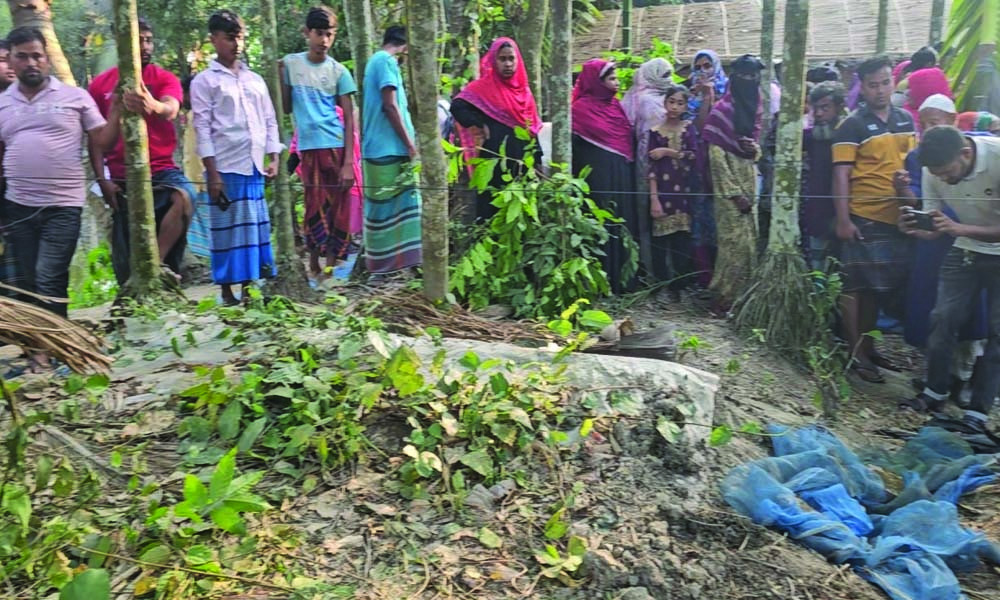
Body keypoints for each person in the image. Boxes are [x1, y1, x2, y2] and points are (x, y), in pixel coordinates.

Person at [0, 27, 114, 369]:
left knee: (50, 275)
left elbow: (102, 139)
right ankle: (41, 350)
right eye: (23, 56)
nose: (31, 62)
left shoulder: (75, 97)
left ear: (47, 58)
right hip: (17, 204)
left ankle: (55, 348)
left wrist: (121, 110)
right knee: (28, 282)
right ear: (13, 61)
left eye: (37, 55)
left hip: (63, 204)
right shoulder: (3, 103)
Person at [898, 125, 1000, 433]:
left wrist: (959, 229)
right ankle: (935, 391)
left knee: (997, 332)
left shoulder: (996, 158)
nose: (942, 179)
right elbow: (935, 224)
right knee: (942, 317)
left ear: (966, 154)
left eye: (947, 172)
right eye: (937, 173)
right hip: (965, 248)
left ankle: (979, 411)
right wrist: (919, 228)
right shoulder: (933, 169)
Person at [89, 17, 195, 285]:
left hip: (161, 169)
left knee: (186, 197)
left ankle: (154, 266)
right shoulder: (100, 85)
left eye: (149, 40)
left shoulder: (163, 78)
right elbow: (96, 140)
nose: (146, 46)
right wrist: (103, 181)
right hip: (121, 175)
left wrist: (153, 106)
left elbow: (171, 107)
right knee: (124, 243)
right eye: (139, 40)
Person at [831, 55, 917, 383]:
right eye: (872, 85)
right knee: (856, 287)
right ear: (861, 88)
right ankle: (855, 353)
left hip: (898, 218)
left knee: (878, 290)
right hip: (863, 215)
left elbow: (914, 166)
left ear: (892, 83)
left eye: (885, 83)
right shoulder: (851, 125)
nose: (880, 91)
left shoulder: (906, 120)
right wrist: (843, 219)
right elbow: (841, 175)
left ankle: (870, 348)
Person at [190, 10, 282, 306]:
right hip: (225, 165)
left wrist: (274, 157)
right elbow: (202, 128)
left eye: (240, 37)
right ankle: (227, 290)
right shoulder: (205, 82)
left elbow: (269, 119)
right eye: (230, 38)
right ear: (214, 40)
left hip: (253, 163)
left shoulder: (255, 80)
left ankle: (250, 285)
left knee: (254, 227)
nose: (236, 44)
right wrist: (212, 173)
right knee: (228, 230)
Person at [280, 6, 357, 277]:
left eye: (329, 35)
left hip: (335, 145)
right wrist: (281, 79)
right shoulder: (291, 64)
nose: (324, 40)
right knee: (314, 202)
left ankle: (331, 264)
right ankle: (313, 260)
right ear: (306, 33)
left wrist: (349, 162)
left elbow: (349, 116)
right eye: (319, 34)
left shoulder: (338, 72)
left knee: (340, 204)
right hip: (308, 147)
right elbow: (287, 107)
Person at [450, 38, 542, 222]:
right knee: (491, 212)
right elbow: (457, 107)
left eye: (511, 59)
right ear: (494, 61)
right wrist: (480, 123)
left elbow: (532, 129)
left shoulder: (524, 92)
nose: (508, 64)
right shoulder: (483, 88)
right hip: (493, 161)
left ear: (518, 60)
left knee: (521, 216)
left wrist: (538, 160)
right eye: (502, 59)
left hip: (522, 161)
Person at [701, 54, 765, 311]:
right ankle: (723, 297)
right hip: (728, 190)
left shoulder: (755, 106)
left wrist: (754, 149)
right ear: (734, 77)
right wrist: (734, 194)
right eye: (744, 75)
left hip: (750, 180)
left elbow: (756, 151)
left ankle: (744, 296)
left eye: (753, 76)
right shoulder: (721, 112)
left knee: (751, 242)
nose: (749, 80)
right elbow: (715, 158)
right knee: (732, 244)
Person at [361, 25, 422, 283]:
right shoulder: (386, 61)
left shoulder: (376, 62)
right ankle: (381, 272)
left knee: (400, 210)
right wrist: (410, 145)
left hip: (385, 148)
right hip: (388, 149)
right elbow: (390, 105)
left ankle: (398, 268)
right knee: (385, 209)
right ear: (405, 46)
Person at [571, 59, 637, 295]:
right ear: (595, 82)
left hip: (620, 174)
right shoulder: (580, 109)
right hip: (597, 177)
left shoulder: (616, 107)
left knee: (621, 221)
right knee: (601, 222)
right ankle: (601, 281)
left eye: (617, 78)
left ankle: (623, 280)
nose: (616, 83)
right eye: (611, 79)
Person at [622, 57, 675, 275]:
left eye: (669, 73)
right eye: (663, 74)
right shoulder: (643, 100)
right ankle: (651, 269)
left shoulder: (672, 98)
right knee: (650, 213)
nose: (668, 78)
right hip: (648, 161)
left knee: (673, 214)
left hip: (674, 162)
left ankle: (674, 271)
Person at [647, 85, 700, 299]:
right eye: (671, 102)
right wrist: (654, 199)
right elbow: (651, 169)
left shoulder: (689, 129)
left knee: (682, 241)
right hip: (662, 192)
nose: (675, 107)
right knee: (660, 243)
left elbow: (694, 156)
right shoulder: (654, 132)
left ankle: (679, 288)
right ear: (664, 102)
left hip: (684, 193)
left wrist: (668, 152)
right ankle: (660, 287)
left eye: (680, 103)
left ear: (686, 106)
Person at [801, 81, 847, 271]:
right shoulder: (812, 137)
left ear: (838, 107)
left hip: (845, 211)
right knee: (817, 265)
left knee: (842, 264)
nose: (819, 114)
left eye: (825, 108)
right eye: (815, 108)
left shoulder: (849, 134)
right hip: (818, 209)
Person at [687, 49, 728, 127]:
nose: (702, 70)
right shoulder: (690, 87)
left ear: (715, 65)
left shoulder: (726, 86)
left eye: (707, 66)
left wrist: (709, 94)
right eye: (698, 67)